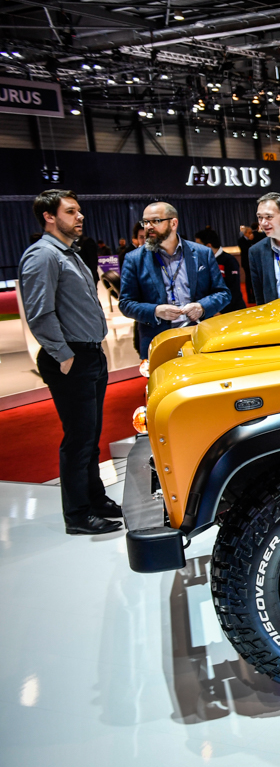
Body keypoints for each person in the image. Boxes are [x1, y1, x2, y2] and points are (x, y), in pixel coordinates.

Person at [19, 190, 121, 536]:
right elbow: (40, 313)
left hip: (89, 354)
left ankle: (96, 499)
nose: (80, 216)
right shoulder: (43, 256)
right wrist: (64, 356)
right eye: (71, 211)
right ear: (49, 217)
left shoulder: (69, 253)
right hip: (71, 359)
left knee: (90, 437)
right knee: (78, 440)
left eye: (79, 211)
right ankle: (77, 515)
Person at [118, 201, 230, 358]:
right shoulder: (134, 259)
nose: (148, 226)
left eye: (155, 221)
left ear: (173, 223)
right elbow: (125, 304)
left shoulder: (202, 253)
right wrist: (156, 311)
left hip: (201, 336)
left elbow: (223, 293)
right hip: (159, 339)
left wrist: (202, 307)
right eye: (145, 222)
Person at [194, 227, 246, 312]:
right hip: (212, 310)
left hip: (232, 310)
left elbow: (234, 290)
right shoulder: (201, 262)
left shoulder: (229, 260)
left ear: (208, 246)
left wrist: (220, 311)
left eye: (198, 245)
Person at [237, 222, 265, 304]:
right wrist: (249, 241)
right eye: (249, 233)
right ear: (245, 233)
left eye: (251, 232)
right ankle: (249, 297)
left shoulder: (253, 239)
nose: (251, 234)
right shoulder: (241, 240)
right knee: (248, 280)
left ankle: (254, 296)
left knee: (254, 279)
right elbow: (246, 249)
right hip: (246, 262)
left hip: (253, 262)